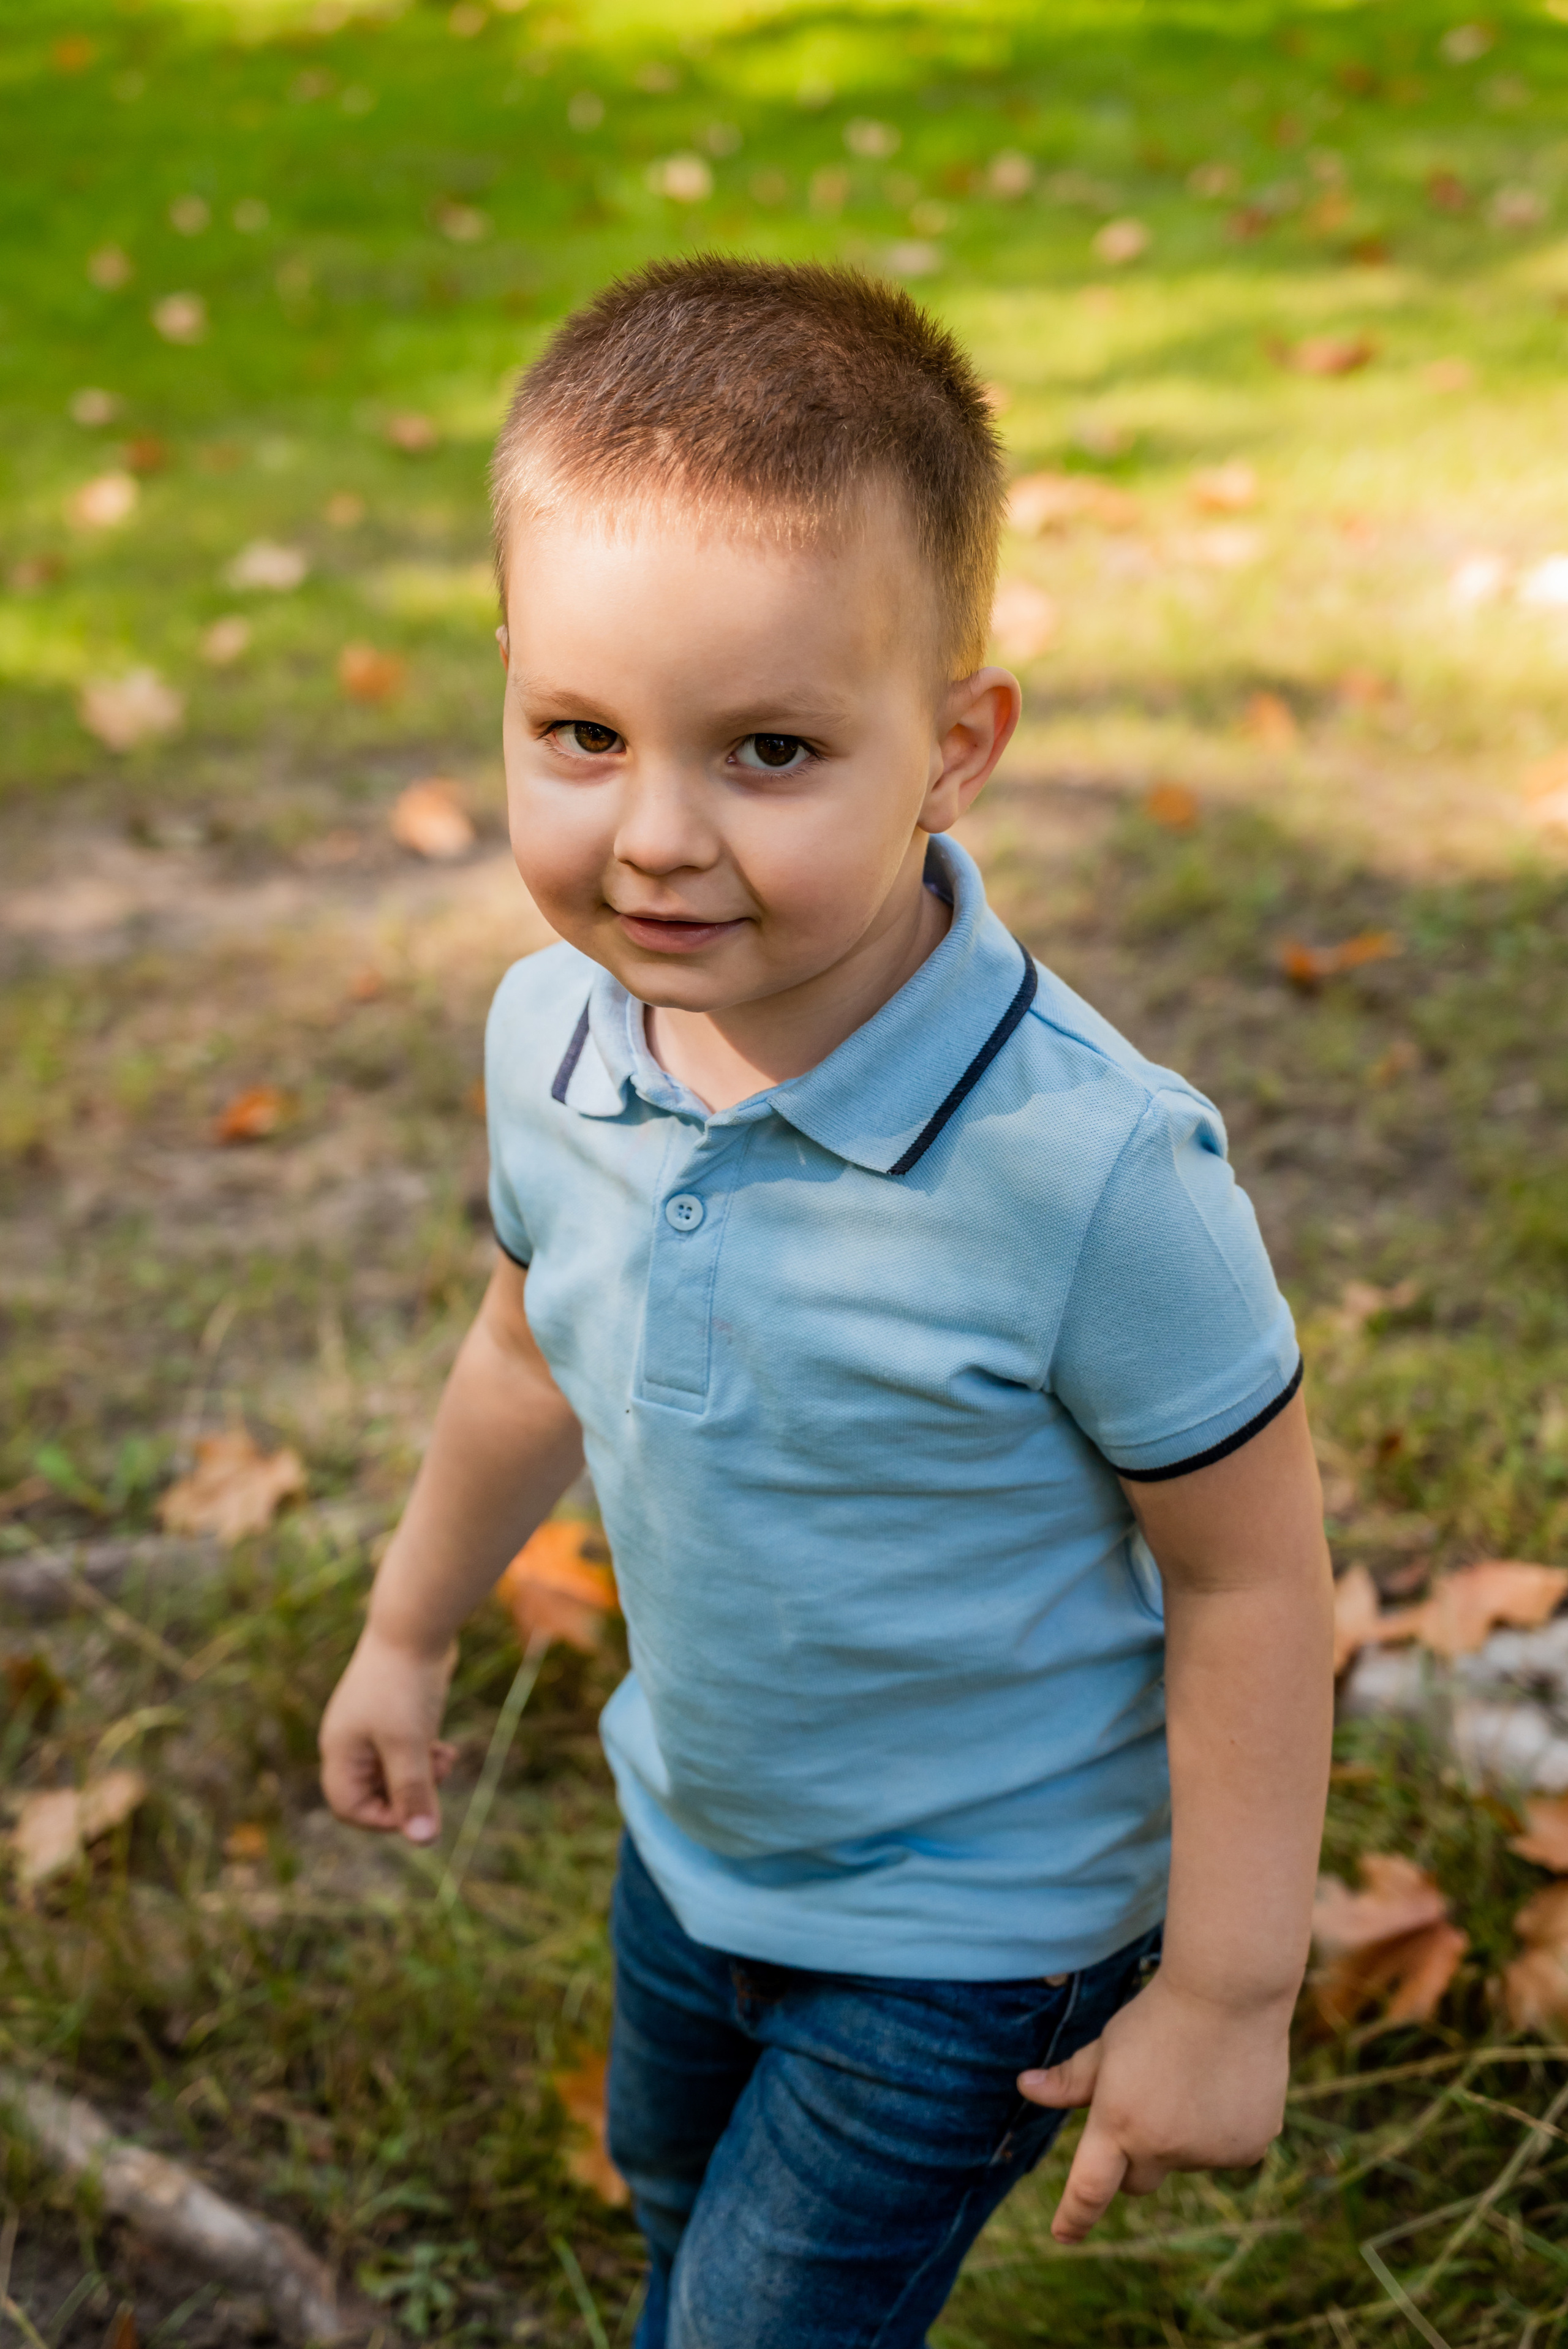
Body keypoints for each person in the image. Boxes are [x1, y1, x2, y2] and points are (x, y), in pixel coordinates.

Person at [319, 256, 1334, 2348]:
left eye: (771, 747)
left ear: (955, 747)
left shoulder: (1091, 1169)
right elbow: (527, 1352)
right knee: (680, 2207)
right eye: (581, 735)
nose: (657, 838)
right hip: (692, 1837)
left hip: (980, 1928)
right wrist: (406, 1629)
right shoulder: (550, 1038)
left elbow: (1252, 1582)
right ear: (507, 678)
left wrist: (1229, 1989)